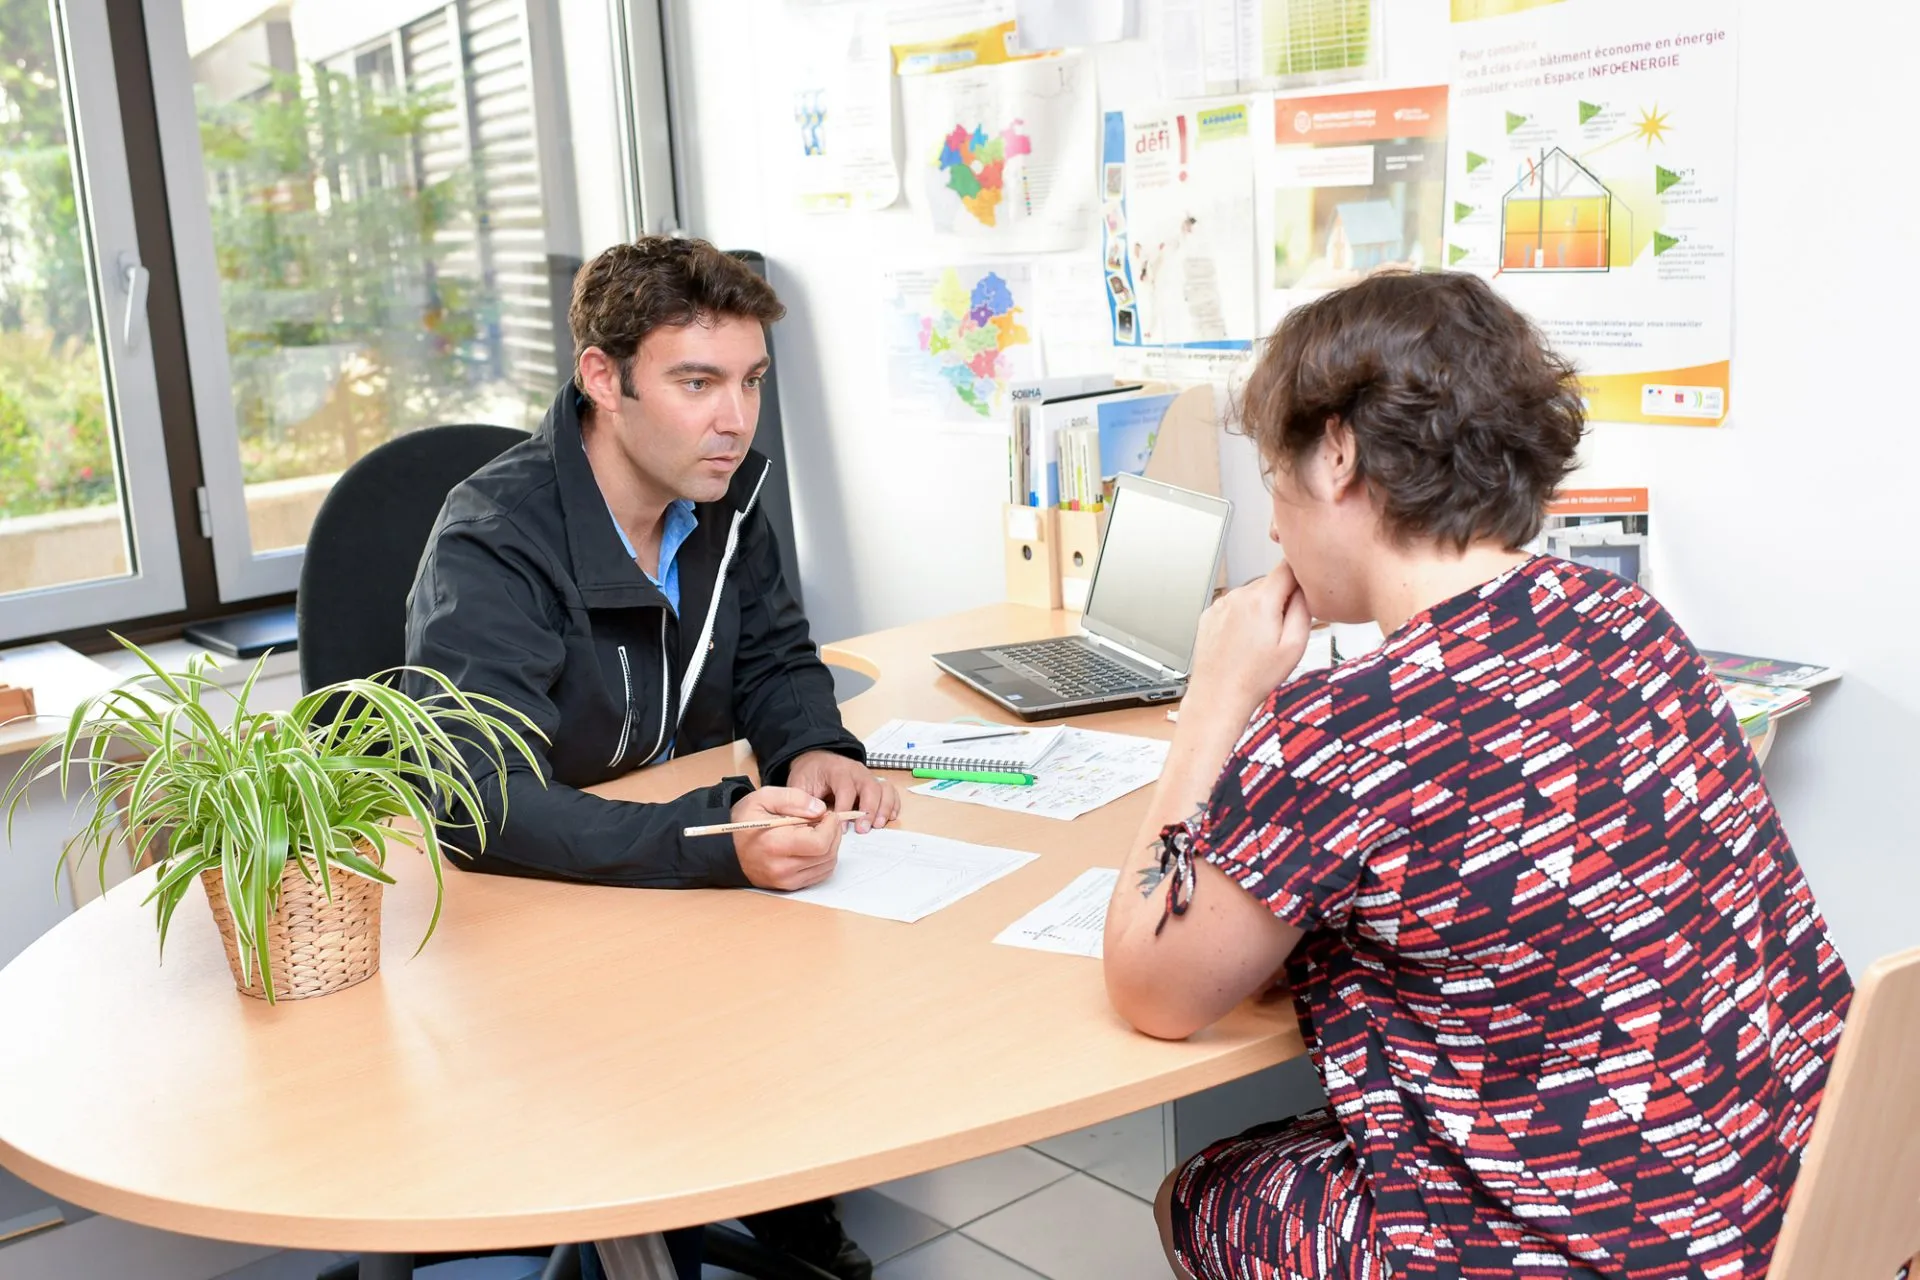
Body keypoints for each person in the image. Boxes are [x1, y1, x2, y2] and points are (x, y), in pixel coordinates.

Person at [1100, 270, 1854, 1280]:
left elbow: (1155, 987)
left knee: (1205, 1192)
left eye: (1274, 478)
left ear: (1337, 455)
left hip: (1585, 1254)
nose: (1272, 525)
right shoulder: (1630, 624)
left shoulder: (1344, 725)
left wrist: (1217, 703)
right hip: (1786, 1203)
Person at [405, 236, 899, 1280]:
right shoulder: (494, 541)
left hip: (658, 877)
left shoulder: (723, 495)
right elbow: (475, 803)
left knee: (818, 949)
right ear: (603, 377)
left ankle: (775, 1191)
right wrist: (718, 834)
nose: (735, 418)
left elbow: (771, 649)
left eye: (751, 381)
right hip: (526, 896)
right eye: (696, 382)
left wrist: (813, 742)